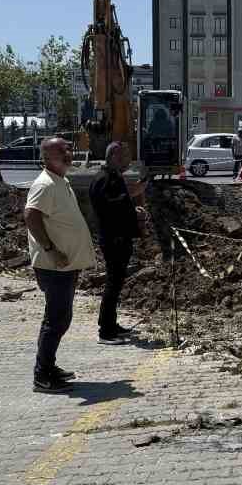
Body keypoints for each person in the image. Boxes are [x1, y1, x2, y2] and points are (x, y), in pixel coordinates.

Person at [22, 136, 97, 391]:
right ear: (46, 158)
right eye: (61, 151)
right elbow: (31, 216)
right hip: (53, 265)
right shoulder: (45, 185)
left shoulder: (60, 180)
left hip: (64, 265)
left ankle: (49, 366)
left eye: (68, 149)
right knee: (55, 320)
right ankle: (42, 375)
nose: (68, 154)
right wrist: (51, 250)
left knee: (61, 318)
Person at [88, 141, 144, 341]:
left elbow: (118, 204)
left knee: (116, 284)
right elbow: (109, 208)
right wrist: (132, 196)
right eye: (124, 156)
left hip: (119, 238)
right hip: (114, 239)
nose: (128, 160)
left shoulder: (113, 177)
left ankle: (111, 324)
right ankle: (106, 331)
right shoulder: (104, 179)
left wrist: (132, 208)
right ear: (113, 157)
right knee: (113, 284)